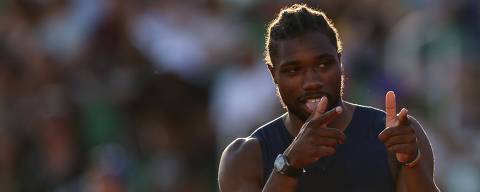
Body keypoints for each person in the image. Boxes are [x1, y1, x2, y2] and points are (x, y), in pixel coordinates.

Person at [218, 4, 439, 192]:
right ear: (273, 73)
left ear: (340, 63)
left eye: (323, 65)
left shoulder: (397, 136)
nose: (311, 81)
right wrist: (289, 164)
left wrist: (412, 161)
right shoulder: (246, 157)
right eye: (293, 70)